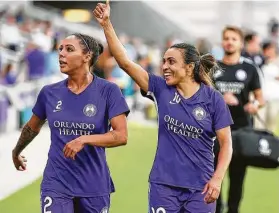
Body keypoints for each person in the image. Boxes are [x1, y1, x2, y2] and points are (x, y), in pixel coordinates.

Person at [93, 2, 233, 213]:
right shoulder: (160, 88)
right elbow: (125, 62)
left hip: (200, 188)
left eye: (171, 62)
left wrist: (217, 179)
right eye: (164, 61)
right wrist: (106, 25)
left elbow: (226, 144)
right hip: (163, 186)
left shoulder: (213, 99)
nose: (164, 66)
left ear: (189, 67)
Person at [12, 33, 130, 213]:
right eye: (60, 49)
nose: (61, 54)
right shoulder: (49, 92)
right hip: (56, 182)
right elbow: (31, 128)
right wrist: (17, 151)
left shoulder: (108, 91)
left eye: (69, 49)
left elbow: (121, 135)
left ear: (87, 56)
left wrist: (84, 140)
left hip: (93, 186)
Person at [213, 26, 265, 213]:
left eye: (234, 39)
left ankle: (233, 210)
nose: (229, 41)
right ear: (222, 42)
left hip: (241, 131)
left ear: (241, 43)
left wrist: (255, 106)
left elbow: (260, 98)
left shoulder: (249, 68)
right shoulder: (213, 67)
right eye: (226, 38)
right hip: (215, 133)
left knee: (237, 179)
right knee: (213, 178)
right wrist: (221, 98)